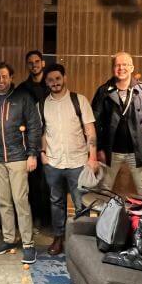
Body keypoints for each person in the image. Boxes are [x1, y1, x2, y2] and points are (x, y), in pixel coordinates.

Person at [0, 62, 41, 264]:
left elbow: (34, 126)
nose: (0, 80)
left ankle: (28, 244)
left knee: (20, 200)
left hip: (18, 157)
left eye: (4, 76)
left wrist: (32, 154)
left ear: (11, 77)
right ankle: (9, 239)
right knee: (3, 201)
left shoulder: (23, 99)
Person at [40, 63, 99, 256]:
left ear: (64, 78)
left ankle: (82, 241)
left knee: (81, 202)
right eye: (50, 80)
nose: (55, 82)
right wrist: (42, 154)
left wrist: (93, 158)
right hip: (53, 162)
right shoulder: (41, 104)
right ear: (46, 82)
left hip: (78, 162)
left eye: (58, 78)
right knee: (56, 202)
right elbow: (41, 132)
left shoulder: (79, 100)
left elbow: (90, 131)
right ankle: (59, 238)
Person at [92, 51, 142, 199]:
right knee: (103, 191)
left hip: (138, 151)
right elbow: (95, 122)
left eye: (125, 64)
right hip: (110, 151)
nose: (121, 68)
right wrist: (98, 149)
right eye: (117, 65)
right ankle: (104, 222)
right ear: (113, 68)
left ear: (132, 68)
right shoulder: (103, 91)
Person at [18, 49, 51, 230]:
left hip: (53, 140)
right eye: (30, 62)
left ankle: (49, 220)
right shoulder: (22, 89)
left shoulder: (51, 84)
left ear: (43, 63)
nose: (34, 65)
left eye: (37, 61)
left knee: (50, 182)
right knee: (33, 183)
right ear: (27, 65)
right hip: (30, 141)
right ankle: (36, 218)